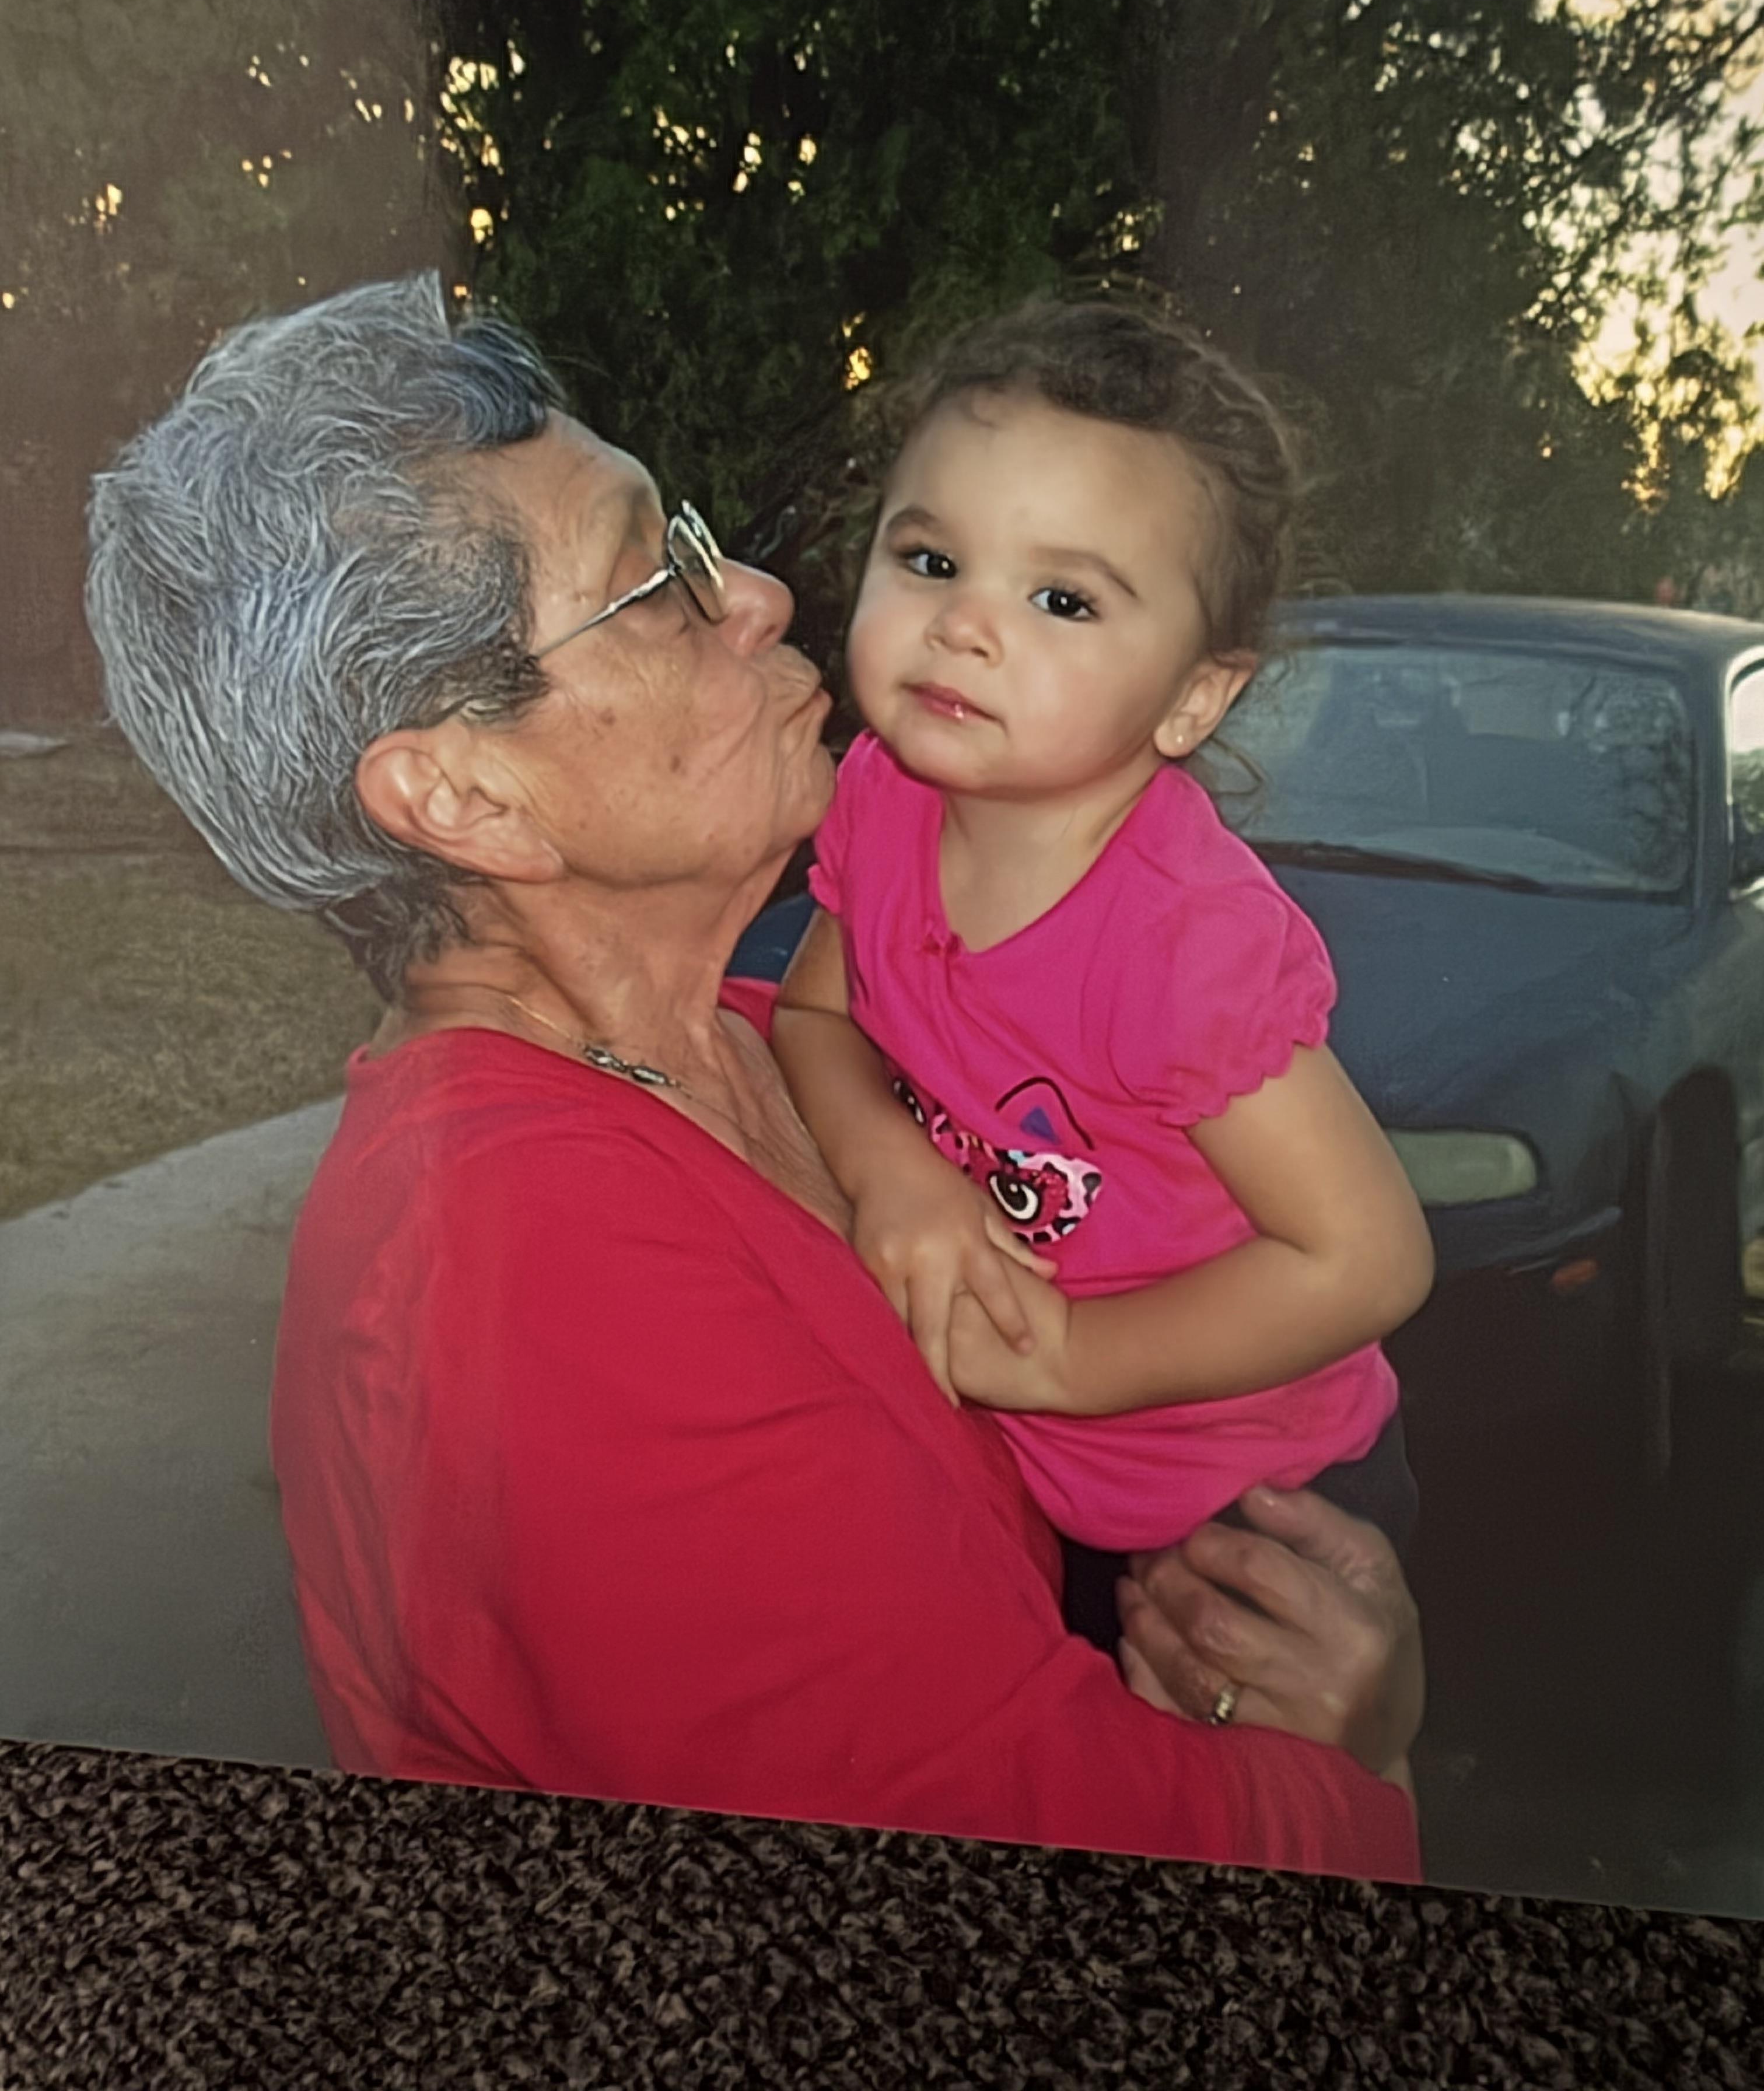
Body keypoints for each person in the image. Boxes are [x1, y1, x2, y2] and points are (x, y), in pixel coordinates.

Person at [83, 272, 1421, 1882]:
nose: (769, 596)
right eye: (654, 582)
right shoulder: (526, 1280)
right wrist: (1362, 1767)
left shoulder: (738, 1028)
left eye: (697, 539)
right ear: (469, 796)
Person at [772, 300, 1436, 1635]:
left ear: (1196, 697)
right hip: (1030, 1464)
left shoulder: (1183, 947)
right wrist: (895, 1172)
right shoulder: (882, 798)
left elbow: (1366, 1258)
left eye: (1062, 598)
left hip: (1249, 1500)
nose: (966, 626)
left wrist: (1076, 1359)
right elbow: (809, 1014)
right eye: (930, 558)